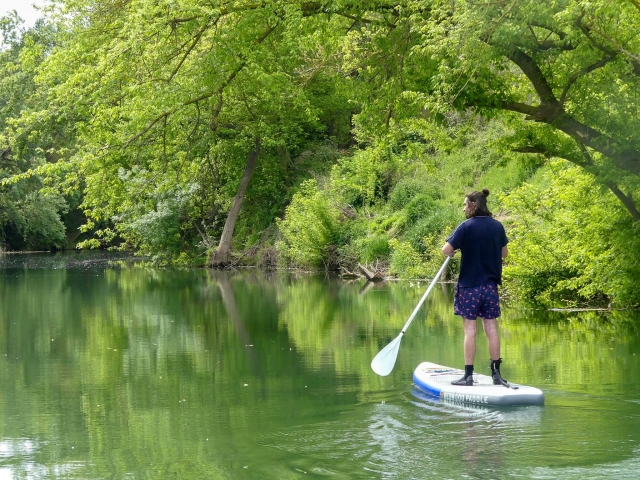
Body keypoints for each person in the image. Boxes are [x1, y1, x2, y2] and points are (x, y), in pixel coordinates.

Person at [441, 189, 510, 387]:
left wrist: (456, 249)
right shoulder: (497, 227)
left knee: (470, 330)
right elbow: (504, 254)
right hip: (490, 287)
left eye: (465, 205)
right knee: (491, 328)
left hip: (469, 286)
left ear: (473, 205)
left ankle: (468, 376)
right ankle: (496, 374)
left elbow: (446, 250)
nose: (463, 208)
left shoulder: (466, 226)